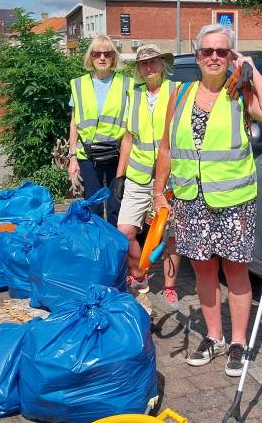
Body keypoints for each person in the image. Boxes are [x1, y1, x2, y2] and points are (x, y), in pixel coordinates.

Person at [154, 24, 262, 376]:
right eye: (207, 51)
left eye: (222, 52)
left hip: (233, 202)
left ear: (231, 57)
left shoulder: (241, 92)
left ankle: (238, 342)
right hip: (190, 199)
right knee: (203, 270)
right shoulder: (180, 94)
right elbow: (166, 147)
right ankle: (214, 337)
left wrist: (252, 70)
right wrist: (158, 192)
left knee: (236, 270)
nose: (214, 57)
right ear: (197, 56)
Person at [113, 44, 181, 304]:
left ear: (163, 64)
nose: (149, 67)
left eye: (153, 61)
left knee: (171, 235)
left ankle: (170, 286)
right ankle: (138, 274)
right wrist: (120, 176)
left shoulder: (177, 90)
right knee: (124, 232)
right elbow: (128, 138)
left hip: (172, 176)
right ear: (139, 69)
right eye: (144, 63)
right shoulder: (134, 94)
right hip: (138, 175)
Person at [68, 35, 131, 227]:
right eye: (97, 54)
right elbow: (74, 122)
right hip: (88, 155)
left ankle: (114, 241)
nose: (102, 58)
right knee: (92, 204)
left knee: (115, 204)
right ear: (91, 57)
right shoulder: (78, 84)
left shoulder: (127, 84)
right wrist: (72, 157)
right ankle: (95, 240)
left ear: (113, 58)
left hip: (116, 153)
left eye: (107, 54)